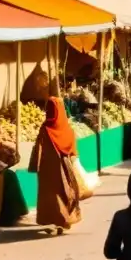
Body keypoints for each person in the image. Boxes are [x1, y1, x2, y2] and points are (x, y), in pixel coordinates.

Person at [29, 97, 83, 232]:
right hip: (65, 167)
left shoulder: (46, 129)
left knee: (51, 196)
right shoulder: (67, 129)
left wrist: (35, 165)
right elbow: (72, 149)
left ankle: (54, 220)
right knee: (65, 192)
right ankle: (65, 220)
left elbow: (38, 148)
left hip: (48, 169)